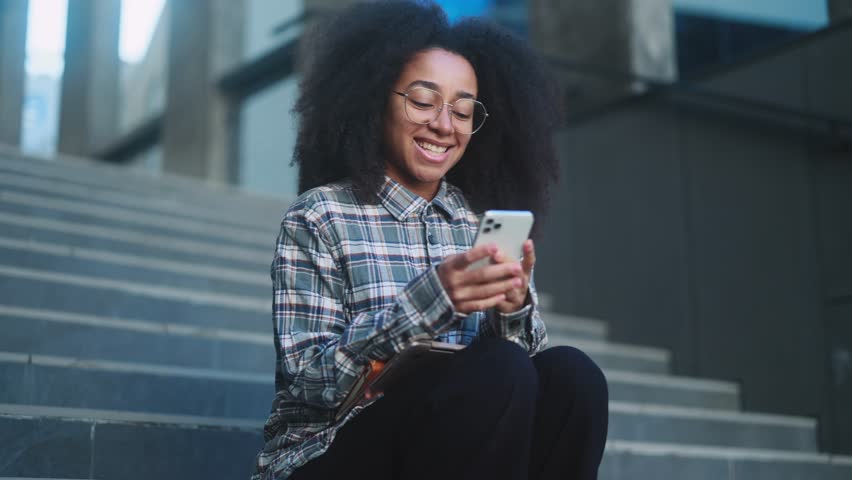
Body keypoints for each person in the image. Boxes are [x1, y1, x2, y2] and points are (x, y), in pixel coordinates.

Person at [253, 2, 608, 479]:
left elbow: (523, 385)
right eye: (423, 102)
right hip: (328, 452)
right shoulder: (320, 216)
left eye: (463, 111)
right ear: (376, 99)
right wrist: (429, 301)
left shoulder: (475, 221)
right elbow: (307, 385)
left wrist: (512, 307)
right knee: (497, 369)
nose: (444, 125)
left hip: (458, 448)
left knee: (572, 376)